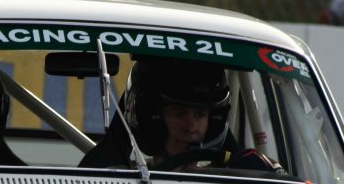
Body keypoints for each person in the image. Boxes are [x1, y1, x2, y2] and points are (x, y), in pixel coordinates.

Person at [80, 57, 283, 174]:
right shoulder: (113, 177)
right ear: (151, 120)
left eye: (200, 114)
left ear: (213, 122)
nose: (190, 125)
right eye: (178, 114)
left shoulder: (238, 182)